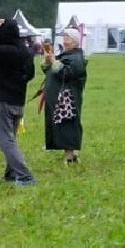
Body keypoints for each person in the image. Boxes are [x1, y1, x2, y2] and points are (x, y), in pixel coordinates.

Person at [0, 18, 36, 186]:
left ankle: (25, 176)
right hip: (18, 101)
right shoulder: (26, 51)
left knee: (6, 141)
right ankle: (11, 173)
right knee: (12, 139)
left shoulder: (4, 51)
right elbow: (30, 75)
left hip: (3, 102)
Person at [40, 29, 87, 165]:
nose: (64, 41)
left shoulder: (76, 58)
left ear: (75, 42)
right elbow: (50, 71)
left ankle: (70, 156)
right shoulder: (67, 55)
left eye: (68, 39)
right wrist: (48, 61)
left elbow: (66, 73)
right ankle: (70, 155)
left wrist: (54, 61)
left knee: (68, 125)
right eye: (64, 38)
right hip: (59, 98)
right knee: (62, 125)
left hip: (67, 99)